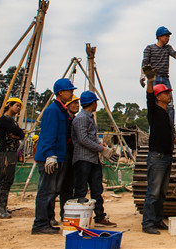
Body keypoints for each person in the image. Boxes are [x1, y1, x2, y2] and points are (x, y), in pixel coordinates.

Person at [32, 78, 76, 234]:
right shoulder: (53, 110)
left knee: (51, 192)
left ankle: (47, 221)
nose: (72, 93)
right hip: (50, 158)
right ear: (61, 92)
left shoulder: (62, 110)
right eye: (70, 90)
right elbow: (49, 135)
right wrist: (50, 155)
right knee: (45, 191)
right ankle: (40, 224)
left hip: (58, 157)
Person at [141, 64, 176, 234]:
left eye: (168, 93)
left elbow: (168, 134)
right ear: (158, 96)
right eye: (165, 93)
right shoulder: (154, 111)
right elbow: (148, 97)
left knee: (162, 193)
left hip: (167, 156)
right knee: (153, 192)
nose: (168, 95)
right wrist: (150, 80)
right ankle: (147, 223)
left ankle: (157, 220)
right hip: (157, 156)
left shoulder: (166, 115)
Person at [72, 91, 117, 227]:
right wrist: (101, 149)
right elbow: (83, 139)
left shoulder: (89, 117)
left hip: (92, 159)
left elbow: (89, 137)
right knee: (81, 190)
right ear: (93, 103)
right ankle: (79, 218)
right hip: (83, 159)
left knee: (97, 189)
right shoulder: (81, 118)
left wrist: (99, 144)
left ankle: (99, 216)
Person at [140, 26, 176, 128]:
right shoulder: (150, 48)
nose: (168, 38)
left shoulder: (168, 48)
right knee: (154, 105)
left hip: (165, 79)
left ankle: (170, 129)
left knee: (170, 106)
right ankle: (155, 128)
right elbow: (145, 63)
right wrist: (142, 76)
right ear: (159, 36)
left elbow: (175, 54)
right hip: (154, 79)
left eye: (168, 36)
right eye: (166, 36)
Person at [0, 97, 25, 219]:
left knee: (1, 179)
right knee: (6, 180)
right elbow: (18, 132)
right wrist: (18, 134)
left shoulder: (10, 121)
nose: (18, 108)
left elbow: (20, 133)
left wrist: (19, 134)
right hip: (6, 153)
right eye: (16, 105)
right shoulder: (6, 120)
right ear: (9, 105)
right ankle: (1, 208)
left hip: (7, 153)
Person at [53, 95, 80, 225]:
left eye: (78, 103)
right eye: (74, 103)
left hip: (71, 156)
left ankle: (66, 215)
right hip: (62, 155)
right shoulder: (65, 119)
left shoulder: (75, 120)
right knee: (55, 187)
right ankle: (49, 216)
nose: (76, 105)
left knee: (68, 188)